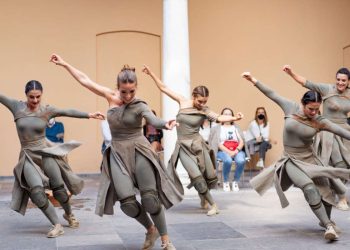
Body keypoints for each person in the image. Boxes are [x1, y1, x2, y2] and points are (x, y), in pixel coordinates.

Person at [50, 54, 181, 250]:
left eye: (131, 91)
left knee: (150, 199)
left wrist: (166, 124)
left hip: (139, 150)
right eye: (124, 92)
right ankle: (150, 229)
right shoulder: (110, 96)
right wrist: (65, 64)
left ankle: (165, 240)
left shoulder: (140, 105)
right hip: (118, 152)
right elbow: (85, 80)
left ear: (136, 88)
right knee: (127, 202)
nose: (128, 96)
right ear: (117, 88)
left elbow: (152, 120)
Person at [242, 71, 350, 241]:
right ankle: (329, 225)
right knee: (309, 189)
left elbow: (342, 131)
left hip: (312, 160)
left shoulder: (320, 121)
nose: (314, 112)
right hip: (292, 159)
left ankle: (325, 220)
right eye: (310, 109)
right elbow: (272, 94)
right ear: (303, 103)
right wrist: (253, 80)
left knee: (327, 192)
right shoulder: (290, 107)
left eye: (317, 109)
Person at [0, 80, 104, 238]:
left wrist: (89, 115)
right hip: (27, 156)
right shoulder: (16, 106)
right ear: (26, 95)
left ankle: (69, 214)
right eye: (31, 97)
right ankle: (57, 224)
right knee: (37, 192)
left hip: (45, 153)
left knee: (59, 190)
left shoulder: (46, 110)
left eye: (38, 97)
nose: (35, 100)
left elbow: (67, 111)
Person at [143, 65, 243, 216]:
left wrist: (235, 117)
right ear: (193, 96)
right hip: (183, 146)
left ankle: (203, 196)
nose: (202, 104)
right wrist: (151, 74)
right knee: (195, 176)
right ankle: (213, 205)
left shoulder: (205, 110)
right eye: (200, 101)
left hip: (198, 145)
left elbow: (219, 117)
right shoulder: (182, 101)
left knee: (208, 176)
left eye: (205, 101)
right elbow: (164, 88)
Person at [283, 65, 350, 211]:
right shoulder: (327, 89)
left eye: (343, 80)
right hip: (328, 131)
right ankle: (342, 198)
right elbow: (306, 82)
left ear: (348, 81)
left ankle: (336, 192)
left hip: (344, 131)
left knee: (346, 165)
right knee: (337, 164)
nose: (340, 83)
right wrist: (291, 73)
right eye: (338, 79)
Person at [208, 107, 246, 192]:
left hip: (237, 150)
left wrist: (236, 151)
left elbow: (241, 141)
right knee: (228, 160)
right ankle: (225, 182)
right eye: (225, 114)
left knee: (241, 160)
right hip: (222, 151)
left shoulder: (236, 127)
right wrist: (229, 152)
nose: (227, 116)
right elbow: (216, 143)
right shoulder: (216, 128)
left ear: (232, 116)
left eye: (229, 114)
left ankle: (235, 181)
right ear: (221, 116)